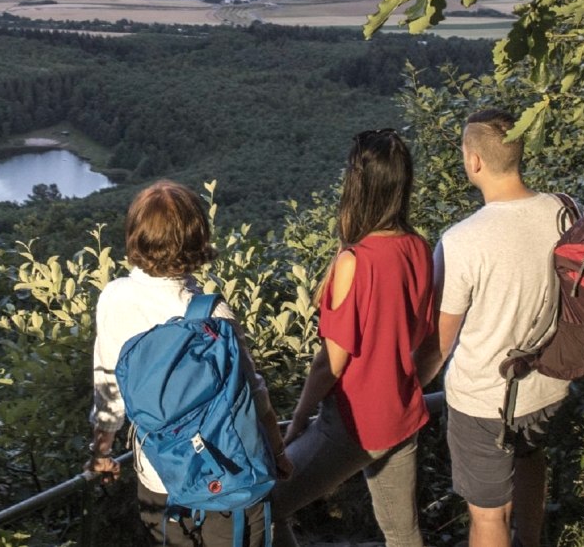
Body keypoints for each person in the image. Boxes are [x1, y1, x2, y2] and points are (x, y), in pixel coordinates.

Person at [87, 180, 293, 546]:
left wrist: (101, 452)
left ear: (136, 235)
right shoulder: (213, 314)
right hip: (228, 479)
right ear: (199, 238)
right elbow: (254, 395)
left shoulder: (114, 298)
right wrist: (278, 452)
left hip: (160, 477)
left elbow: (108, 392)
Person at [269, 129, 444, 547]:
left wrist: (295, 425)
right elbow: (422, 335)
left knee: (261, 506)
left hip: (351, 425)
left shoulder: (354, 261)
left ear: (358, 184)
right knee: (403, 534)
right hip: (401, 414)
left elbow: (331, 363)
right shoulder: (419, 247)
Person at [434, 108, 573, 547]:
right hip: (549, 384)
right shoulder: (566, 211)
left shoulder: (462, 240)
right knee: (532, 462)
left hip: (483, 400)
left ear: (473, 160)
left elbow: (441, 342)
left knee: (489, 518)